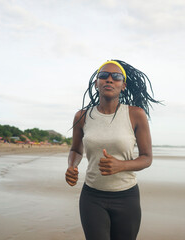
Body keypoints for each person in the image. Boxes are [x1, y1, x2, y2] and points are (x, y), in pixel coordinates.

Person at [65, 59, 160, 240]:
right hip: (92, 196)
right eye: (103, 75)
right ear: (96, 83)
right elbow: (76, 150)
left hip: (127, 197)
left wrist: (121, 165)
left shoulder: (135, 114)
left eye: (116, 77)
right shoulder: (82, 116)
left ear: (123, 85)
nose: (109, 80)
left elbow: (147, 158)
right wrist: (72, 166)